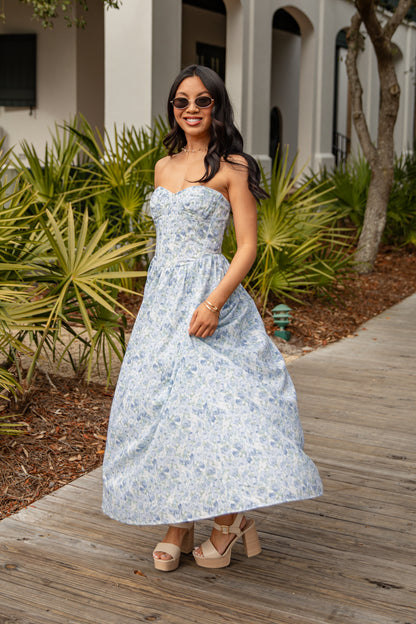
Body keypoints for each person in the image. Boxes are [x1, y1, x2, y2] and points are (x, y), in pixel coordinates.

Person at [102, 64, 323, 572]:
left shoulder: (234, 166)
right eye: (182, 102)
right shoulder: (162, 166)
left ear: (217, 106)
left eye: (202, 101)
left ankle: (226, 522)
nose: (192, 110)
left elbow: (246, 247)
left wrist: (212, 303)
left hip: (212, 299)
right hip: (163, 301)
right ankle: (179, 523)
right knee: (163, 410)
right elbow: (163, 248)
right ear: (172, 110)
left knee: (221, 408)